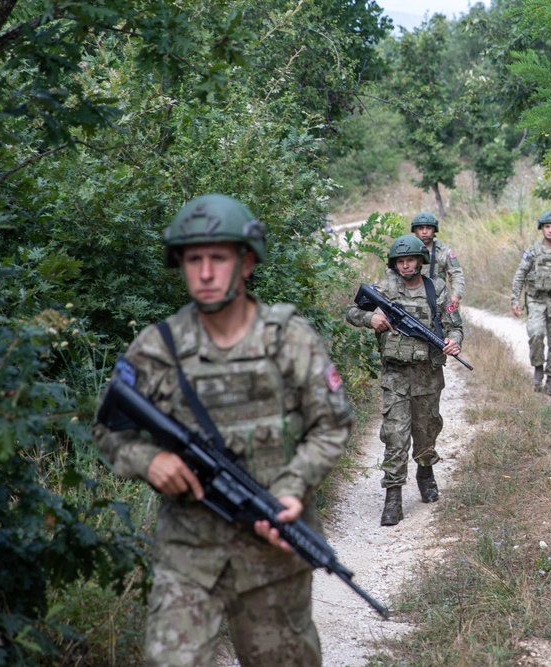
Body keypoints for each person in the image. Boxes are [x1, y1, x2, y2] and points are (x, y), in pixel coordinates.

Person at [93, 194, 354, 665]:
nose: (206, 272)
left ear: (247, 261)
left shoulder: (286, 339)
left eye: (219, 258)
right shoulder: (157, 347)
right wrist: (149, 460)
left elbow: (331, 425)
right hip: (189, 557)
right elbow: (109, 430)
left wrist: (293, 489)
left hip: (273, 553)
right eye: (194, 259)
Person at [346, 234, 464, 526]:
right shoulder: (385, 289)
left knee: (426, 431)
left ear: (420, 261)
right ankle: (393, 497)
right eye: (400, 260)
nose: (406, 264)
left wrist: (453, 341)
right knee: (395, 436)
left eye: (410, 259)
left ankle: (425, 472)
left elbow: (456, 326)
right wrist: (370, 319)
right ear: (394, 263)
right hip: (395, 376)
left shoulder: (436, 289)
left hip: (428, 376)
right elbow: (352, 312)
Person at [510, 210, 551, 395]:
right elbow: (520, 275)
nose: (550, 230)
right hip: (536, 301)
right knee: (536, 334)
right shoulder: (532, 252)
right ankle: (538, 367)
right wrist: (515, 299)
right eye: (547, 226)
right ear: (542, 229)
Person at [410, 211, 465, 307]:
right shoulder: (407, 249)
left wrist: (456, 295)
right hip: (410, 299)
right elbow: (392, 273)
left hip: (437, 300)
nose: (424, 231)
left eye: (429, 228)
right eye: (420, 228)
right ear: (415, 230)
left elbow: (456, 273)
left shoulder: (444, 250)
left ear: (434, 230)